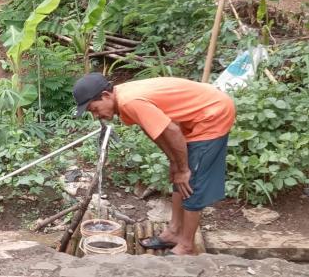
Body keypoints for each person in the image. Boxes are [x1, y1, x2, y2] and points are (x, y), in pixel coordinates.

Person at [72, 73, 235, 256]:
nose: (96, 115)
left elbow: (172, 130)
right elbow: (155, 131)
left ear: (106, 95)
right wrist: (174, 161)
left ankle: (187, 246)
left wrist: (183, 168)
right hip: (196, 115)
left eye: (94, 109)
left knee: (191, 180)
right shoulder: (123, 99)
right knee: (179, 175)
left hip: (212, 113)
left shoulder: (129, 101)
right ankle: (174, 232)